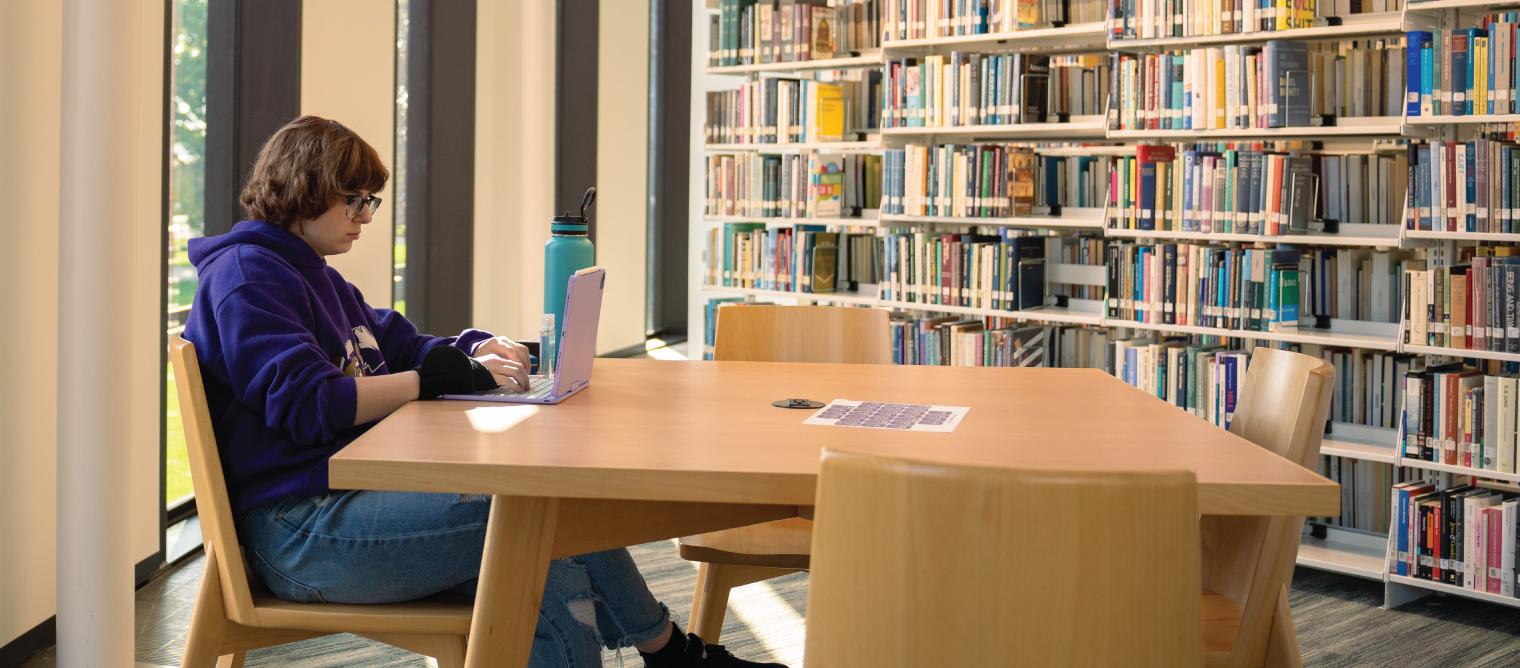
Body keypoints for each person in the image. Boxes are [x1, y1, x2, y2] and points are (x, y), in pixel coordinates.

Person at [183, 115, 785, 668]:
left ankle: (669, 652)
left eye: (372, 202)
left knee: (540, 536)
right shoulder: (246, 280)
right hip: (299, 533)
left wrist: (475, 346)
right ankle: (671, 652)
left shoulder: (309, 273)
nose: (367, 217)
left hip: (340, 501)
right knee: (539, 510)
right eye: (356, 200)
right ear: (305, 187)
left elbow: (396, 341)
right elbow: (310, 403)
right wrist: (430, 380)